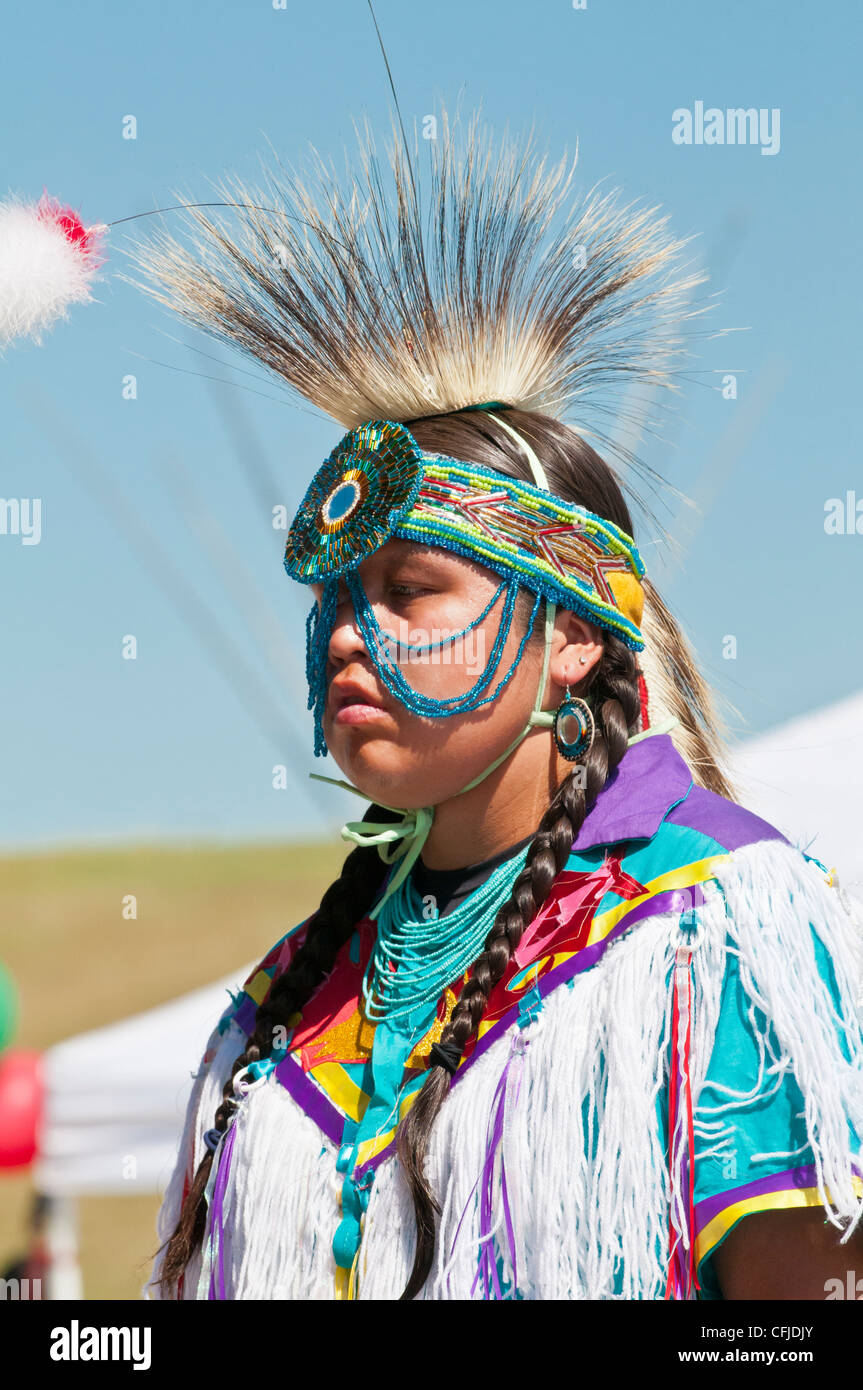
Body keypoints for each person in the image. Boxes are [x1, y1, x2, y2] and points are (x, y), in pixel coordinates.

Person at [128, 113, 863, 1300]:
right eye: (339, 601)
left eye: (410, 592)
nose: (352, 638)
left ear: (570, 634)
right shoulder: (284, 1005)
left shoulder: (711, 933)